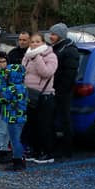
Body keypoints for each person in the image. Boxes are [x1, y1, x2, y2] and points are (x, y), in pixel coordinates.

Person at [0, 50, 28, 170]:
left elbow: (7, 96)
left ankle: (5, 151)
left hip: (10, 112)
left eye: (4, 61)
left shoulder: (10, 76)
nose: (1, 64)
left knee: (10, 134)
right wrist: (0, 97)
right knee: (2, 130)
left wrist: (4, 96)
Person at [22, 32, 57, 163]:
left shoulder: (51, 56)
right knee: (31, 125)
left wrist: (37, 57)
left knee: (44, 125)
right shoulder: (27, 56)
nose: (35, 44)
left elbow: (46, 72)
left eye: (38, 41)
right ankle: (34, 150)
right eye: (32, 42)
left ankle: (47, 152)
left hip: (44, 95)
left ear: (43, 42)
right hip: (29, 94)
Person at [48, 23, 79, 159]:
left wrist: (60, 90)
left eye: (53, 34)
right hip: (53, 90)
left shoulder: (69, 50)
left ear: (60, 35)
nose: (51, 36)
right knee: (51, 119)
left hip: (62, 92)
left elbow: (69, 73)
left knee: (65, 120)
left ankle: (67, 149)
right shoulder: (56, 48)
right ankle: (54, 146)